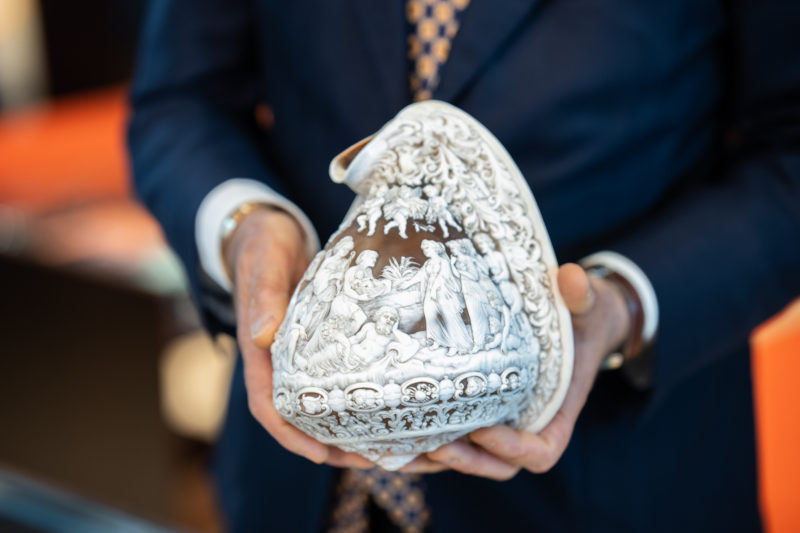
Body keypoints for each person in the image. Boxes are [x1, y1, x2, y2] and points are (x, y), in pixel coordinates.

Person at [128, 1, 800, 531]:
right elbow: (180, 101)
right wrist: (247, 225)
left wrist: (623, 302)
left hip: (618, 484)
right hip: (300, 487)